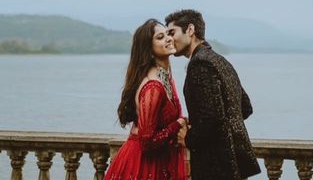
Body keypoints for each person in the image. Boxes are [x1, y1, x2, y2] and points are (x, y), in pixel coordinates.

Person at [165, 9, 261, 180]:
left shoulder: (200, 64)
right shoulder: (221, 61)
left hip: (215, 165)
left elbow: (211, 117)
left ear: (190, 30)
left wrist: (188, 138)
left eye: (172, 32)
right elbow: (245, 108)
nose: (169, 39)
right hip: (234, 162)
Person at [105, 19, 187, 180]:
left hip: (160, 162)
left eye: (169, 34)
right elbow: (147, 142)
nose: (169, 39)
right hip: (143, 165)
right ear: (149, 49)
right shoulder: (153, 87)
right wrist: (178, 124)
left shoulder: (165, 78)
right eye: (160, 37)